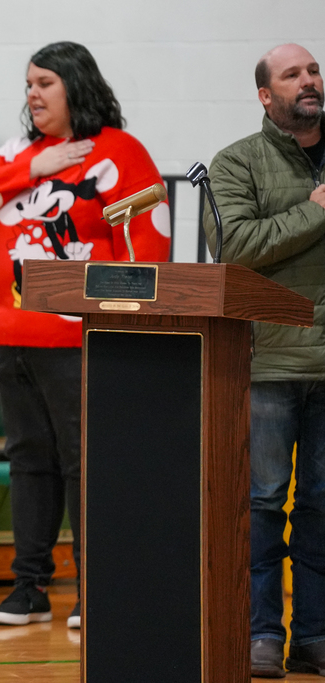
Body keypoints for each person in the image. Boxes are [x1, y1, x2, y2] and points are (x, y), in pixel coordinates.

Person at [0, 41, 171, 629]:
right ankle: (29, 588)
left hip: (80, 341)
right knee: (27, 463)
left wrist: (129, 330)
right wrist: (34, 169)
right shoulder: (18, 151)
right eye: (28, 83)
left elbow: (148, 248)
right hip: (10, 337)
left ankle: (94, 590)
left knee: (83, 464)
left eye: (45, 83)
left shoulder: (119, 152)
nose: (33, 94)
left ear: (76, 84)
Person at [206, 43, 325, 679]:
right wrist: (314, 210)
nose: (308, 80)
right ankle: (258, 633)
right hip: (270, 363)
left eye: (312, 69)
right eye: (292, 74)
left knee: (322, 506)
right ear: (264, 95)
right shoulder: (235, 164)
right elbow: (237, 249)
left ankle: (313, 635)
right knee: (262, 503)